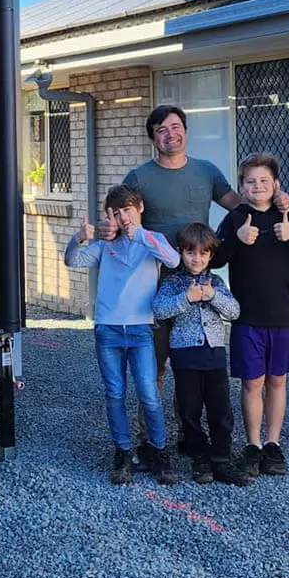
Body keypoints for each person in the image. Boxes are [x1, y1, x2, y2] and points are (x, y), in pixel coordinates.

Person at [116, 105, 289, 393]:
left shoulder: (206, 171)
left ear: (185, 130)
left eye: (175, 127)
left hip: (199, 282)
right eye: (161, 130)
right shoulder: (138, 177)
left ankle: (190, 433)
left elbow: (241, 204)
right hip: (154, 282)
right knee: (154, 367)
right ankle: (152, 435)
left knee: (193, 365)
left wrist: (276, 198)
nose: (170, 135)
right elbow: (122, 218)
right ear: (153, 138)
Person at [214, 152, 289, 478]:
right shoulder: (236, 218)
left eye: (264, 180)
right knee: (252, 383)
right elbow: (213, 259)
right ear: (242, 186)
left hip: (282, 318)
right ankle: (252, 445)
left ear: (276, 184)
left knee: (277, 382)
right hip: (247, 319)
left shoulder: (286, 215)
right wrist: (235, 242)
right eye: (251, 181)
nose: (258, 186)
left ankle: (272, 443)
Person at [64, 184, 180, 486]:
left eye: (127, 210)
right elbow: (73, 260)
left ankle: (158, 449)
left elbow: (173, 260)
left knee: (149, 394)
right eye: (115, 213)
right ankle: (123, 451)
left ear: (140, 207)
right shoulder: (105, 245)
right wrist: (80, 238)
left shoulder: (151, 239)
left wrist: (136, 233)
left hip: (141, 329)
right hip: (108, 329)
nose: (123, 217)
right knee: (114, 393)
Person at [152, 223, 250, 486]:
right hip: (185, 357)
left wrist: (212, 295)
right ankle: (199, 456)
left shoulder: (216, 282)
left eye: (203, 254)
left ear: (210, 255)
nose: (197, 259)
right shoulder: (173, 282)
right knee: (190, 409)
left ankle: (221, 458)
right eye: (190, 253)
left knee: (220, 409)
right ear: (181, 253)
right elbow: (159, 310)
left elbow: (234, 311)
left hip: (214, 355)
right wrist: (187, 297)